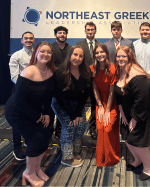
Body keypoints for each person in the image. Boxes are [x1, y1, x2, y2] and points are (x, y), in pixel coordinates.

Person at [5, 41, 56, 186]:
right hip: (17, 111)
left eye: (48, 52)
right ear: (36, 53)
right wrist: (38, 116)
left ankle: (36, 168)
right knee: (36, 138)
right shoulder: (28, 71)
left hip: (35, 109)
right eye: (42, 51)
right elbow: (19, 102)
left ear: (51, 55)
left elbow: (48, 96)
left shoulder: (50, 71)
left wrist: (46, 113)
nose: (45, 54)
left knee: (45, 135)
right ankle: (28, 172)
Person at [114, 46, 150, 181]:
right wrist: (123, 115)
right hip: (128, 111)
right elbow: (118, 95)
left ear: (130, 57)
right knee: (126, 137)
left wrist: (135, 119)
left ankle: (148, 166)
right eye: (118, 56)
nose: (120, 59)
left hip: (141, 111)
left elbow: (141, 101)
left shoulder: (137, 75)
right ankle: (137, 160)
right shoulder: (120, 71)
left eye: (123, 56)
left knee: (137, 141)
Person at [51, 45, 92, 167]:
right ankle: (67, 157)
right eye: (75, 54)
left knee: (81, 125)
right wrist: (73, 115)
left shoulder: (85, 71)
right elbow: (59, 97)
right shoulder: (60, 71)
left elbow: (84, 95)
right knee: (69, 125)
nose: (78, 58)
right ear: (70, 55)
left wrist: (78, 113)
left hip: (77, 103)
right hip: (61, 103)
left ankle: (75, 150)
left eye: (81, 56)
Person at [90, 43, 120, 167]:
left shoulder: (113, 68)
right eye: (97, 53)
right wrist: (100, 106)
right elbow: (95, 88)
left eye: (102, 52)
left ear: (107, 53)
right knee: (100, 127)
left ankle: (112, 157)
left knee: (108, 127)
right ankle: (102, 156)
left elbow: (112, 92)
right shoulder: (92, 68)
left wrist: (107, 110)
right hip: (100, 102)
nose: (99, 55)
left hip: (112, 101)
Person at [8, 31, 35, 160]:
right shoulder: (16, 55)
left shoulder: (38, 54)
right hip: (20, 92)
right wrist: (26, 88)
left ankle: (28, 140)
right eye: (26, 38)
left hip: (35, 92)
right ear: (22, 41)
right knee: (18, 119)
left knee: (31, 117)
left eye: (31, 38)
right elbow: (14, 77)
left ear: (34, 40)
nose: (29, 40)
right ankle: (17, 148)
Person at [76, 21, 100, 140]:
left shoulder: (100, 45)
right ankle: (79, 128)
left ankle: (92, 128)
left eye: (92, 30)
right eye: (88, 30)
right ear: (85, 31)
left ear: (95, 31)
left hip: (96, 81)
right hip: (83, 81)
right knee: (81, 105)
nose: (90, 32)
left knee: (95, 106)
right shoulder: (79, 45)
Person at [50, 26, 72, 141]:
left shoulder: (71, 48)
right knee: (50, 109)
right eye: (60, 33)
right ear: (55, 35)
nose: (62, 35)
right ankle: (49, 133)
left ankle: (59, 133)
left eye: (64, 33)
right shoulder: (50, 48)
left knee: (61, 108)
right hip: (51, 83)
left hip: (65, 84)